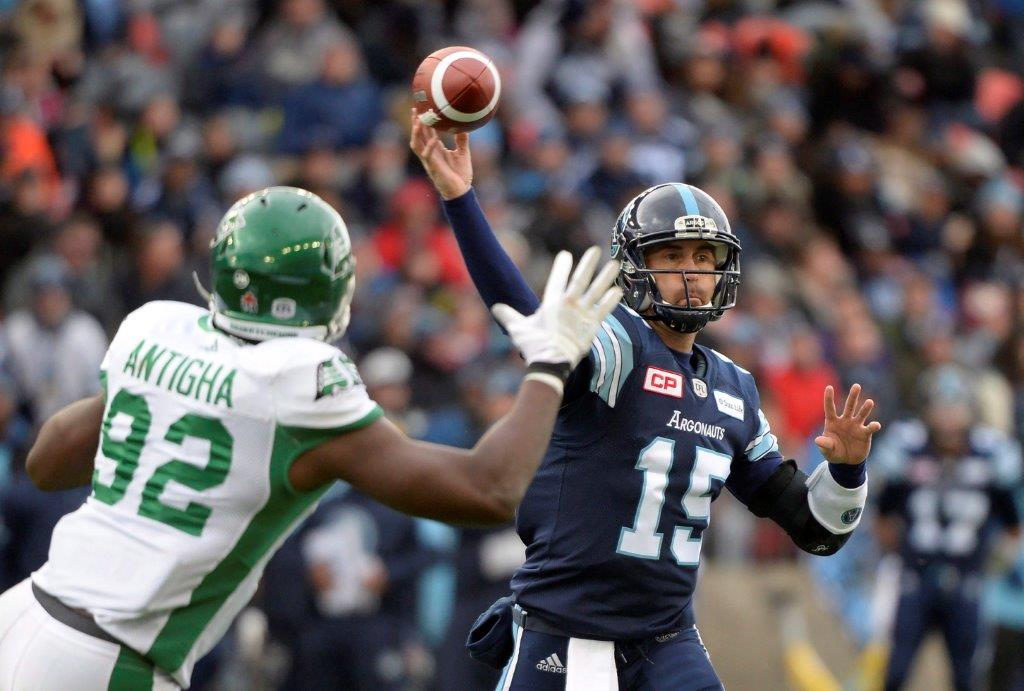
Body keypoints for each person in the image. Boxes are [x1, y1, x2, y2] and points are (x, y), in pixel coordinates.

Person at [0, 185, 622, 690]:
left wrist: (145, 392)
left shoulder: (156, 325)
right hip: (110, 662)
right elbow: (487, 491)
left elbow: (47, 462)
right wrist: (547, 369)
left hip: (23, 611)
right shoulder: (300, 381)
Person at [411, 116, 883, 690]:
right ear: (635, 266)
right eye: (672, 256)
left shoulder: (735, 389)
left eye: (704, 258)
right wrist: (461, 199)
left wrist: (847, 468)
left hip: (666, 642)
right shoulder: (618, 345)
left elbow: (816, 531)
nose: (691, 274)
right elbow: (525, 320)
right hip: (566, 633)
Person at [873, 365, 1022, 691]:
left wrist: (994, 563)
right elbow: (882, 511)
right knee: (896, 672)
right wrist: (895, 552)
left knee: (965, 677)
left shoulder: (990, 455)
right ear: (927, 409)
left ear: (970, 410)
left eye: (955, 405)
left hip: (966, 582)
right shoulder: (908, 450)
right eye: (940, 405)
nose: (948, 415)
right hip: (916, 578)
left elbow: (1013, 525)